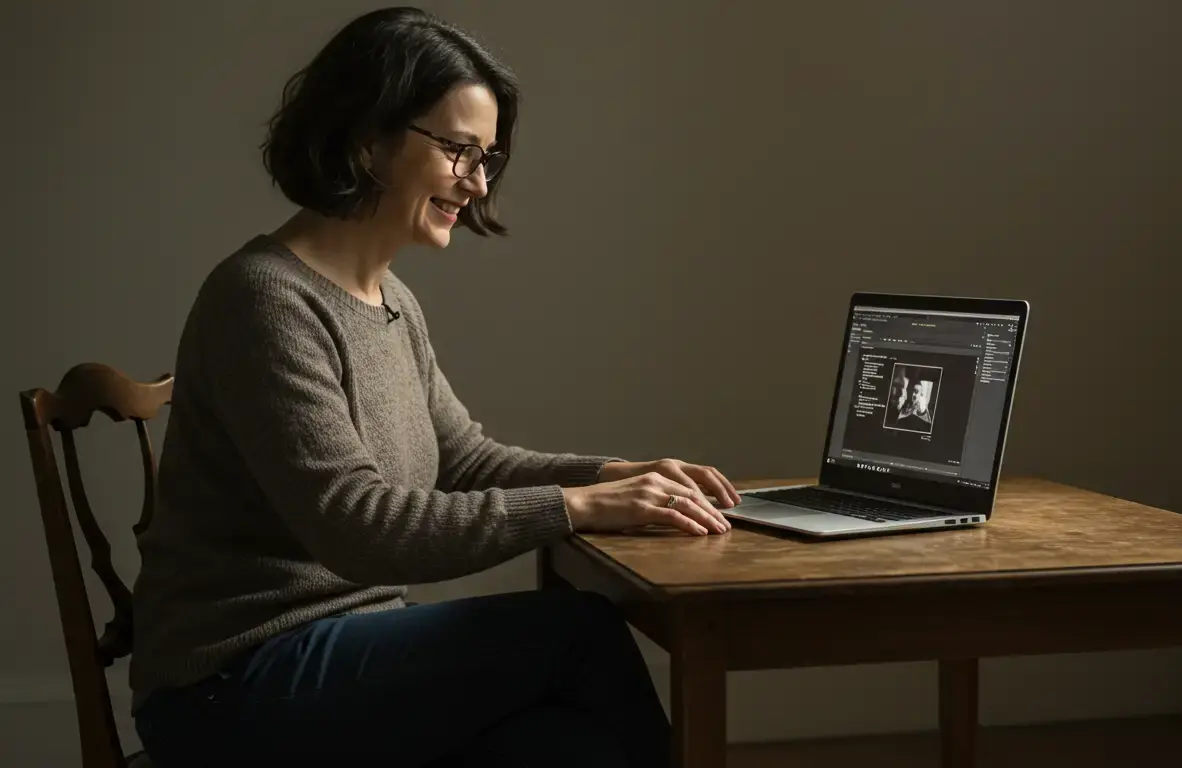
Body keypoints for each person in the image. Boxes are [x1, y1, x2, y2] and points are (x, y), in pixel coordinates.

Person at [128, 7, 741, 767]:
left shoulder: (391, 303)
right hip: (231, 687)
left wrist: (617, 475)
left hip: (337, 661)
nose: (478, 183)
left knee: (564, 742)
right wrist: (577, 507)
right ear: (366, 136)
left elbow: (466, 461)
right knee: (577, 636)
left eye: (487, 157)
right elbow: (358, 527)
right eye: (457, 149)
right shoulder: (262, 299)